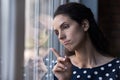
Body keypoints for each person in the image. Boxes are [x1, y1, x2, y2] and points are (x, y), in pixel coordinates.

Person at [51, 2, 120, 80]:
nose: (60, 36)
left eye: (65, 27)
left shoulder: (117, 68)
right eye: (57, 32)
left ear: (84, 25)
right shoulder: (60, 69)